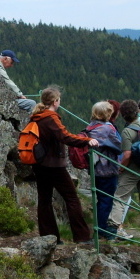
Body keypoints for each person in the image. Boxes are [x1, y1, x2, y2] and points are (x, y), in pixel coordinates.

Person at [28, 86, 98, 244]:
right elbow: (65, 137)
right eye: (59, 100)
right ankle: (82, 237)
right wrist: (87, 141)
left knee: (44, 199)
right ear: (55, 101)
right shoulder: (51, 117)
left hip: (39, 163)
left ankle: (49, 237)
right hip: (53, 164)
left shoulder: (36, 116)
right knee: (72, 198)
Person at [106, 99, 140, 243]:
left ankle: (111, 230)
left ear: (123, 115)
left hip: (132, 170)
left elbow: (127, 155)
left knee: (119, 197)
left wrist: (121, 168)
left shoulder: (127, 131)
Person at [86, 101, 122, 240]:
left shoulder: (90, 126)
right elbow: (119, 146)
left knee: (100, 199)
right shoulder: (107, 129)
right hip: (107, 168)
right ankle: (101, 229)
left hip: (94, 167)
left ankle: (98, 226)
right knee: (107, 199)